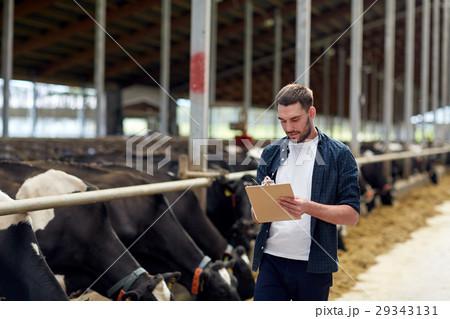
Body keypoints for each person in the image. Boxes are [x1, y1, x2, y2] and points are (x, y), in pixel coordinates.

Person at [251, 83, 360, 301]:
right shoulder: (271, 153)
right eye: (282, 120)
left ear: (311, 113)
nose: (288, 127)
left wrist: (308, 207)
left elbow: (352, 216)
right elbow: (256, 216)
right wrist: (260, 208)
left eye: (295, 119)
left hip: (314, 265)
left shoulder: (339, 154)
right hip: (271, 259)